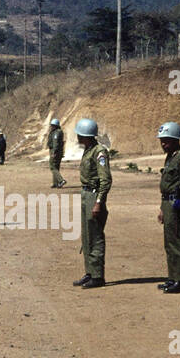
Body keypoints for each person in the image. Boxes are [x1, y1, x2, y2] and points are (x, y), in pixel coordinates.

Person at [156, 122, 180, 294]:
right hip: (168, 204)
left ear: (175, 140)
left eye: (167, 141)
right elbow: (167, 185)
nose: (163, 144)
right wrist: (162, 209)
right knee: (169, 242)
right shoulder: (171, 157)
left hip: (177, 205)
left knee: (177, 242)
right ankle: (172, 277)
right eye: (162, 141)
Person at [73, 117, 111, 288]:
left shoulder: (99, 152)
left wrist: (99, 202)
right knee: (87, 236)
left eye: (80, 134)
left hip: (94, 195)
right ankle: (89, 272)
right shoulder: (89, 150)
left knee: (95, 236)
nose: (77, 137)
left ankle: (97, 276)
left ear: (86, 135)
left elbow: (105, 180)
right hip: (86, 193)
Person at [47, 117, 66, 187]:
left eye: (52, 125)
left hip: (55, 151)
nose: (51, 127)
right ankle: (56, 183)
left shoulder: (56, 133)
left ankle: (61, 180)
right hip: (58, 152)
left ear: (55, 125)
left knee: (52, 167)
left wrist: (54, 152)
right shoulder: (58, 132)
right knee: (56, 167)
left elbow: (56, 143)